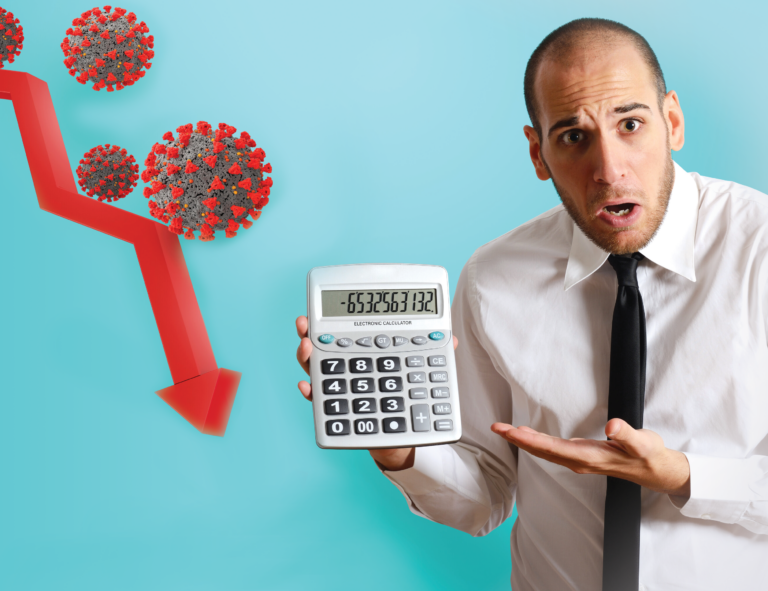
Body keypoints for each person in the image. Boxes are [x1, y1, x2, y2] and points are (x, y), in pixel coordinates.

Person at [295, 18, 768, 591]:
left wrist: (684, 475)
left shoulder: (759, 248)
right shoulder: (493, 279)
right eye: (573, 136)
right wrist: (401, 448)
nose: (609, 169)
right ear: (538, 153)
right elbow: (481, 501)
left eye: (631, 124)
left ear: (671, 122)